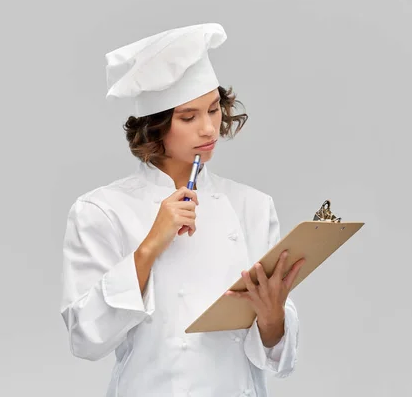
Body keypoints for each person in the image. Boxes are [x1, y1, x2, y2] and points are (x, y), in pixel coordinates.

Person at [59, 23, 305, 397]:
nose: (208, 129)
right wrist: (150, 246)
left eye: (213, 109)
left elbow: (279, 358)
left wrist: (273, 318)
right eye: (188, 117)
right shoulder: (102, 210)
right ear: (154, 128)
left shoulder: (253, 206)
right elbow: (86, 338)